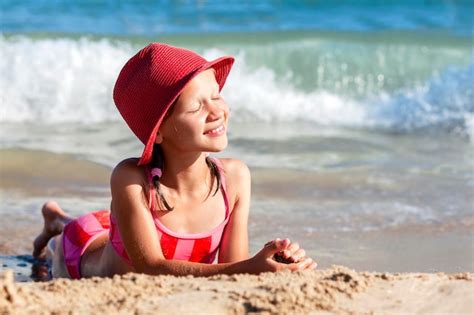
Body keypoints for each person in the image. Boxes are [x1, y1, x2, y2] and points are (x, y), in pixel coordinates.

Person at [32, 43, 317, 279]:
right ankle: (56, 221)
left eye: (216, 96)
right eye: (196, 106)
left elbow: (233, 269)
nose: (216, 111)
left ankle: (57, 217)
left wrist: (270, 257)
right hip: (80, 249)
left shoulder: (236, 178)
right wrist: (251, 267)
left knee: (112, 226)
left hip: (119, 225)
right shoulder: (131, 180)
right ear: (159, 131)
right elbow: (150, 267)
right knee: (67, 239)